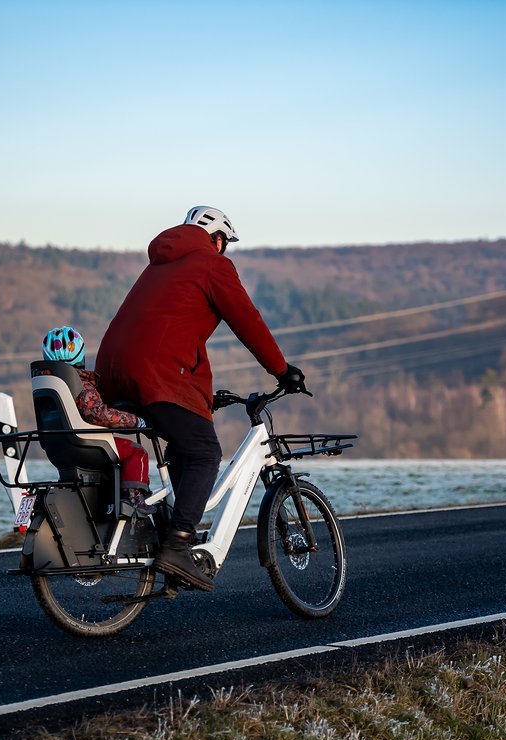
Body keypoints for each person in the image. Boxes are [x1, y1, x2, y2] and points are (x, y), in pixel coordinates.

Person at [96, 206, 307, 592]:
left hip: (113, 374)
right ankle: (177, 545)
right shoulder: (211, 265)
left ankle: (170, 537)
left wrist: (198, 394)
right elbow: (248, 321)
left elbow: (168, 330)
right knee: (204, 453)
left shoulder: (159, 265)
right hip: (154, 374)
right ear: (218, 239)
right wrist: (281, 370)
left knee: (183, 447)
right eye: (225, 245)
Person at [41, 326, 152, 515]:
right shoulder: (78, 383)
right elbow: (97, 414)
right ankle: (132, 499)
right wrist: (136, 421)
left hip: (57, 447)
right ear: (80, 355)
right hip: (86, 445)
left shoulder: (45, 381)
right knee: (136, 452)